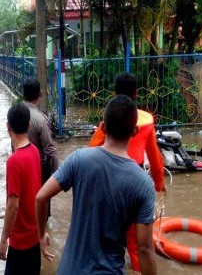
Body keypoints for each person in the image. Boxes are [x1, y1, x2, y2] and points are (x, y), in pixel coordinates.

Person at [36, 95, 157, 274]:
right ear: (135, 130)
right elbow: (145, 249)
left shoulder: (79, 159)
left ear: (103, 127)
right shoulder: (143, 183)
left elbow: (41, 197)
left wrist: (41, 235)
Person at [88, 73, 165, 273]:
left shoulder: (110, 118)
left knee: (104, 237)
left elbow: (92, 149)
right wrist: (158, 183)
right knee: (138, 245)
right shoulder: (146, 121)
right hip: (135, 181)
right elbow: (155, 156)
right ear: (136, 94)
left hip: (107, 181)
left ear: (114, 93)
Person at [0, 103, 42, 275]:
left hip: (20, 242)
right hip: (34, 236)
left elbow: (13, 205)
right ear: (29, 125)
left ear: (8, 126)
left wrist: (3, 240)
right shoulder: (35, 152)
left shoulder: (14, 161)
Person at [22, 78, 59, 219]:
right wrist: (57, 177)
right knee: (43, 210)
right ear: (40, 94)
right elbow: (50, 150)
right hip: (39, 169)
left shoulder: (15, 114)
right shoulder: (41, 119)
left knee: (25, 205)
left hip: (21, 165)